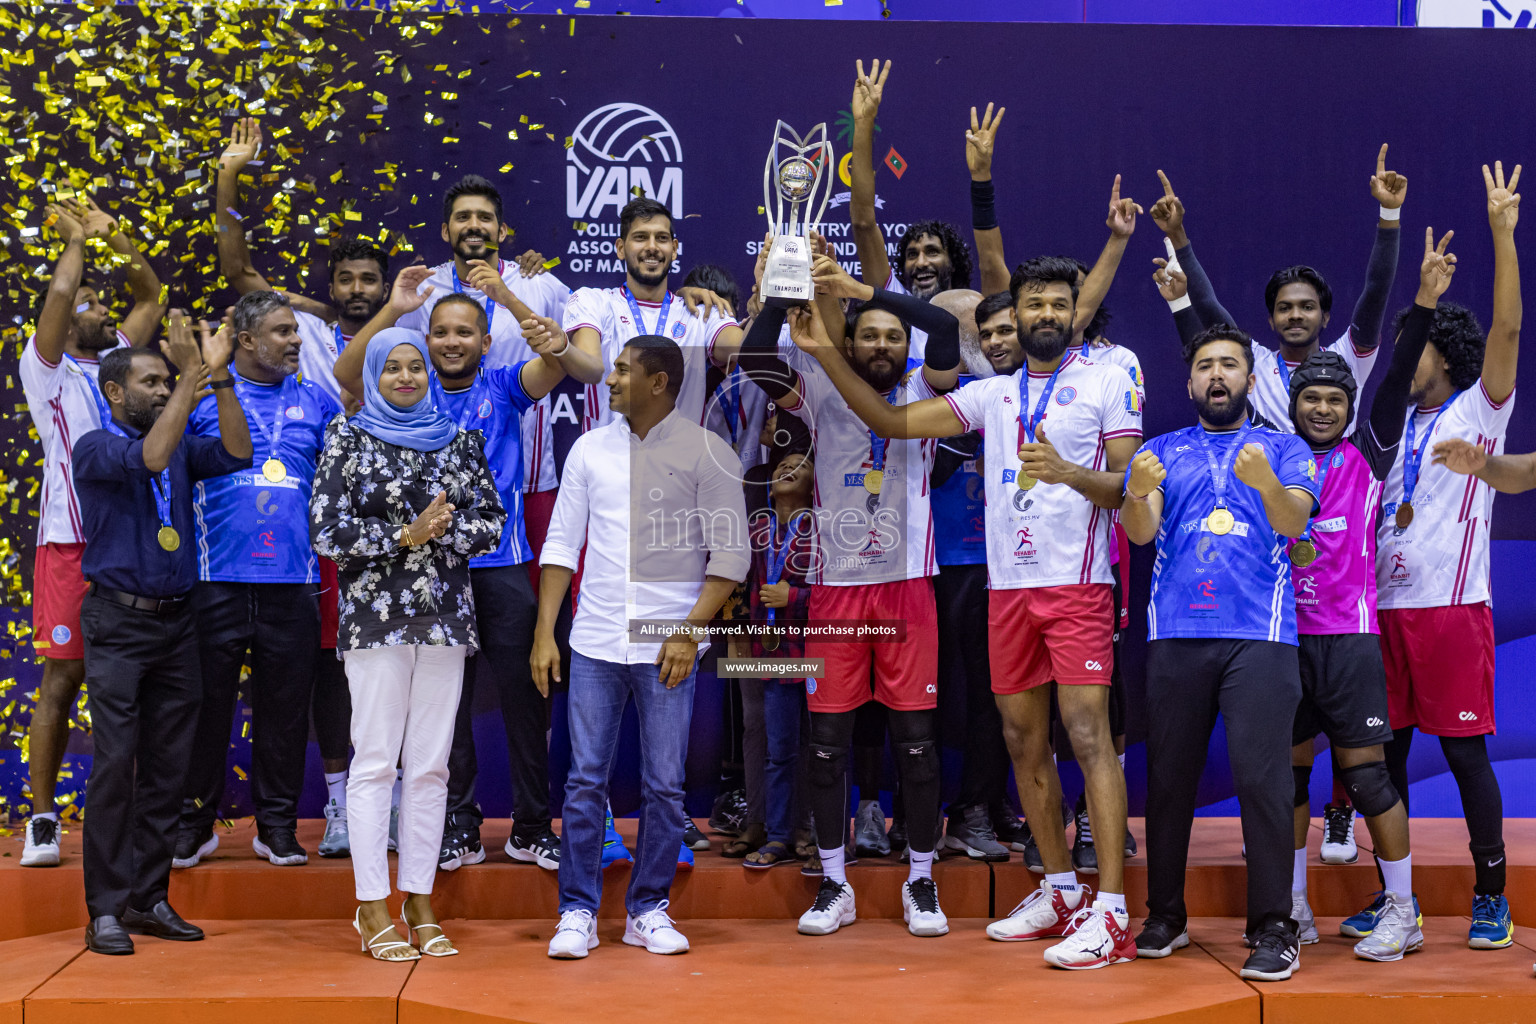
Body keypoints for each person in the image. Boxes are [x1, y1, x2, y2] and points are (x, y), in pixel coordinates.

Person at [737, 254, 962, 939]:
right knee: (827, 746)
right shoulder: (817, 381)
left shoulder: (928, 384)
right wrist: (783, 289)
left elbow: (946, 333)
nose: (884, 346)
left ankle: (921, 880)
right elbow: (753, 356)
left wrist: (866, 293)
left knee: (917, 747)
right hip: (836, 592)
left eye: (895, 336)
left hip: (906, 590)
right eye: (871, 334)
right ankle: (835, 885)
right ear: (852, 341)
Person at [1250, 228, 1453, 962]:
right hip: (1281, 641)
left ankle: (1403, 908)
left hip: (1349, 640)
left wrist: (1424, 300)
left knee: (1367, 777)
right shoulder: (1274, 457)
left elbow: (1395, 375)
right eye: (1315, 399)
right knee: (1289, 779)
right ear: (1296, 405)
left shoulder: (1367, 456)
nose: (1326, 409)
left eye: (1338, 399)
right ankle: (1296, 907)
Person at [335, 268, 571, 872]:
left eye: (464, 332)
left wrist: (507, 298)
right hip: (431, 571)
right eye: (439, 331)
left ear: (485, 341)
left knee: (526, 697)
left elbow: (556, 360)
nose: (450, 342)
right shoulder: (406, 389)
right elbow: (346, 375)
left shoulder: (504, 385)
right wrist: (393, 309)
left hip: (502, 563)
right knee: (447, 704)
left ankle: (531, 825)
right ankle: (459, 826)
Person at [535, 336, 748, 959]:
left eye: (623, 371)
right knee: (583, 783)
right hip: (594, 641)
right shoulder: (589, 450)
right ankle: (575, 911)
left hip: (667, 646)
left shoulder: (709, 451)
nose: (610, 379)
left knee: (664, 786)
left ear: (659, 382)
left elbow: (731, 556)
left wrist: (689, 632)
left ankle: (647, 908)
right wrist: (546, 631)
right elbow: (559, 546)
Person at [1121, 324, 1320, 982]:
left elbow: (1293, 523)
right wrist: (1133, 491)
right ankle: (1166, 916)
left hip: (1259, 639)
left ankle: (1274, 927)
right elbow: (1141, 532)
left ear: (1249, 379)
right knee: (1170, 781)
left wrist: (1264, 484)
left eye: (1228, 365)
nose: (1216, 375)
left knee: (1264, 784)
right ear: (1189, 383)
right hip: (1176, 635)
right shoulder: (1159, 451)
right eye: (1205, 366)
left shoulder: (1285, 450)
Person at [310, 327, 506, 961]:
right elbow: (327, 530)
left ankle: (418, 897)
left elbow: (490, 522)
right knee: (374, 764)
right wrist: (404, 534)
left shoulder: (458, 440)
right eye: (391, 367)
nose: (404, 378)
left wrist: (442, 534)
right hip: (376, 622)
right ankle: (371, 905)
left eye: (414, 367)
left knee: (429, 766)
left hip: (445, 620)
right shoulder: (348, 436)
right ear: (373, 374)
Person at [1367, 162, 1522, 950]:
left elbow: (1507, 332)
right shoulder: (1387, 424)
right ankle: (1394, 898)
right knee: (1381, 762)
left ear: (1444, 354)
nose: (1405, 352)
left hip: (1454, 608)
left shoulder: (1478, 407)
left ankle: (1490, 893)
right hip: (1385, 610)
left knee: (1464, 757)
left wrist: (1502, 232)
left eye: (1415, 343)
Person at [73, 314, 252, 955]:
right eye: (150, 382)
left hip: (180, 621)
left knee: (168, 770)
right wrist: (189, 375)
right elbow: (148, 457)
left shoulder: (177, 442)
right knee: (118, 765)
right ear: (114, 391)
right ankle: (105, 910)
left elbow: (238, 452)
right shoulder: (95, 445)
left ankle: (149, 899)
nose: (159, 389)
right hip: (118, 623)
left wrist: (219, 376)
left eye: (164, 381)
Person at [19, 195, 164, 869]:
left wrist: (118, 234)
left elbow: (150, 291)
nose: (99, 308)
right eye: (88, 306)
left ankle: (127, 819)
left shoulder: (120, 370)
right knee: (63, 677)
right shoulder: (47, 372)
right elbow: (60, 288)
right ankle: (43, 820)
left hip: (128, 542)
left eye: (103, 306)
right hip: (70, 547)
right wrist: (76, 239)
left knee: (128, 684)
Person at [173, 291, 342, 871]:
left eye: (295, 330)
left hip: (291, 582)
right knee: (204, 710)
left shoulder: (318, 402)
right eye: (281, 331)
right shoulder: (200, 399)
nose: (295, 340)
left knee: (286, 712)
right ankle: (194, 825)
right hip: (213, 578)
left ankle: (276, 826)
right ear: (245, 341)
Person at [1151, 148, 1404, 438]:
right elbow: (1208, 305)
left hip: (1333, 483)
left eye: (1307, 307)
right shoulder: (1251, 360)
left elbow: (1376, 290)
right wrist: (1177, 234)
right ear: (1270, 321)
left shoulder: (1349, 359)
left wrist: (1390, 213)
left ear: (1325, 317)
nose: (1295, 315)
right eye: (1284, 308)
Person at [216, 117, 391, 401]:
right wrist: (226, 173)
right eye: (345, 280)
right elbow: (238, 269)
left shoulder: (405, 336)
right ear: (332, 289)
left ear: (386, 291)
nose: (357, 288)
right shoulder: (303, 330)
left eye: (368, 280)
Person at [739, 450, 817, 869]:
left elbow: (841, 589)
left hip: (822, 651)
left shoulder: (825, 528)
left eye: (800, 467)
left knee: (825, 747)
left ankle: (824, 836)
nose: (788, 469)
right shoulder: (757, 529)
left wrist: (797, 597)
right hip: (772, 653)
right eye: (782, 466)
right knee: (779, 748)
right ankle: (779, 835)